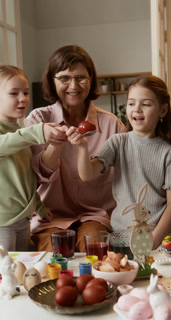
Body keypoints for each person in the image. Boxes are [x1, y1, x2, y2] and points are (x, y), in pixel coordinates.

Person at [24, 45, 126, 252]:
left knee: (93, 247)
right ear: (52, 81)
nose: (73, 85)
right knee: (55, 258)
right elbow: (36, 177)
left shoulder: (112, 125)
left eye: (80, 77)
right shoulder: (38, 120)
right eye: (64, 78)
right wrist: (55, 145)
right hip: (50, 218)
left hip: (96, 216)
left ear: (91, 79)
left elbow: (126, 177)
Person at [67, 74, 171, 250]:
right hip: (123, 239)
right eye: (131, 103)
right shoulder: (118, 142)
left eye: (146, 104)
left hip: (161, 240)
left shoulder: (169, 153)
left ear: (162, 111)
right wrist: (82, 146)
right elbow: (86, 174)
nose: (137, 109)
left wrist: (153, 240)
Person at [0, 65, 63, 251]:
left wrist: (39, 207)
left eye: (26, 92)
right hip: (2, 221)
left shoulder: (19, 134)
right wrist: (36, 131)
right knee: (6, 275)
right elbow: (4, 143)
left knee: (20, 272)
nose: (23, 99)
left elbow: (24, 179)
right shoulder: (18, 136)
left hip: (23, 219)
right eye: (14, 93)